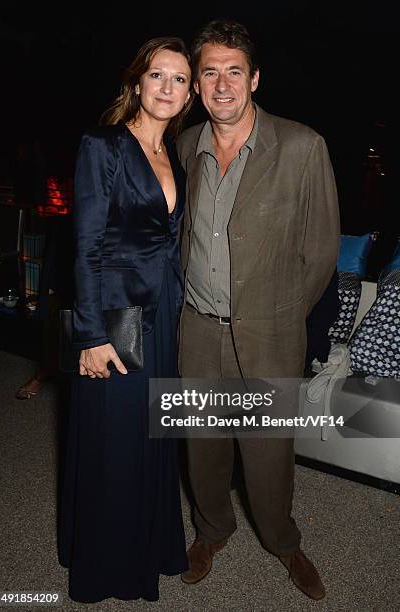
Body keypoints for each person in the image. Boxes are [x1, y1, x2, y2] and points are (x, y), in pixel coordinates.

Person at [177, 20, 340, 601]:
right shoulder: (183, 145)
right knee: (202, 444)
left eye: (234, 71)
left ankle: (283, 541)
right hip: (195, 328)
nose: (223, 85)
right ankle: (211, 531)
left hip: (271, 330)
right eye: (210, 73)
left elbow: (321, 251)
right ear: (196, 85)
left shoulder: (302, 146)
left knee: (268, 453)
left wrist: (281, 313)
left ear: (255, 78)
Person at [57, 37, 193, 603]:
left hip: (162, 310)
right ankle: (107, 565)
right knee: (114, 441)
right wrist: (89, 335)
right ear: (137, 82)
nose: (167, 88)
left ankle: (151, 545)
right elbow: (84, 245)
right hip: (114, 316)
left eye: (180, 79)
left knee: (151, 434)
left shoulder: (175, 153)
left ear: (189, 94)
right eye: (157, 76)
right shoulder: (103, 144)